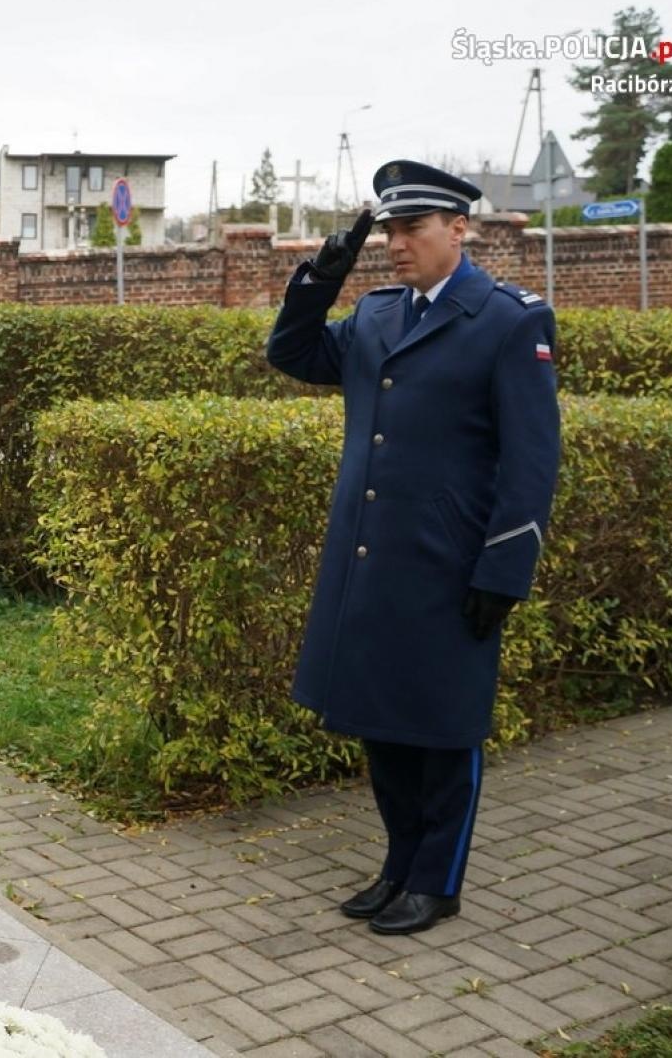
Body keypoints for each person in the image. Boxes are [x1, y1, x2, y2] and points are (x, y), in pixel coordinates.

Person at [265, 160, 561, 935]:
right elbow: (293, 354)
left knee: (444, 727)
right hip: (373, 557)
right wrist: (321, 279)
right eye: (389, 230)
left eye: (412, 228)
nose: (396, 243)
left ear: (458, 229)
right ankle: (399, 866)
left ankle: (438, 880)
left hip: (450, 563)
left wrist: (506, 567)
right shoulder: (375, 314)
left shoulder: (508, 321)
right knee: (383, 719)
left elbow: (532, 461)